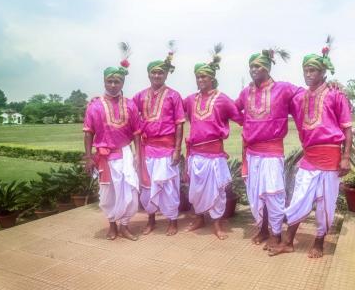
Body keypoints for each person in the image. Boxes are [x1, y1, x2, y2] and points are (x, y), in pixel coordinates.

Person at [269, 43, 353, 258]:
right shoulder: (299, 98)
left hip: (331, 158)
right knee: (298, 199)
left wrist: (346, 157)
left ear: (324, 71)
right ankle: (288, 241)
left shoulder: (336, 95)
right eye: (305, 70)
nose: (308, 74)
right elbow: (277, 95)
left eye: (313, 70)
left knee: (326, 203)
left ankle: (319, 242)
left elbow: (347, 129)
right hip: (309, 158)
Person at [235, 49, 300, 250]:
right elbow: (232, 108)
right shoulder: (246, 92)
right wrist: (244, 124)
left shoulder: (284, 89)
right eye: (251, 66)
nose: (254, 69)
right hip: (252, 152)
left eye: (258, 66)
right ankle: (262, 229)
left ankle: (276, 235)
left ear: (268, 67)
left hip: (272, 152)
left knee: (273, 194)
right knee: (255, 195)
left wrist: (330, 86)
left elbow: (307, 96)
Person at [183, 44, 243, 239]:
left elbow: (240, 118)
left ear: (212, 78)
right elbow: (175, 114)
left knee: (217, 192)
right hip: (196, 154)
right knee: (196, 190)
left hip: (215, 155)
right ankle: (199, 219)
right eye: (198, 77)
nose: (201, 80)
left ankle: (217, 225)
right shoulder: (190, 100)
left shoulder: (223, 99)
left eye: (204, 77)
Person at [83, 51, 141, 241]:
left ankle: (125, 226)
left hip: (125, 155)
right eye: (110, 81)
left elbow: (137, 133)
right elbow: (88, 132)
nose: (113, 85)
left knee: (130, 193)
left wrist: (138, 155)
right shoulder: (95, 106)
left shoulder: (130, 105)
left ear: (123, 83)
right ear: (104, 82)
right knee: (108, 195)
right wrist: (88, 157)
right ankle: (112, 226)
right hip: (105, 158)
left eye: (117, 82)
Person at [133, 44, 185, 236]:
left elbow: (180, 123)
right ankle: (151, 220)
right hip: (147, 149)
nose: (157, 76)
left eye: (160, 73)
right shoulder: (139, 96)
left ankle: (172, 221)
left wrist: (177, 149)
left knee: (169, 187)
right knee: (147, 187)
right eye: (153, 73)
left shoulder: (174, 95)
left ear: (165, 75)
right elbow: (129, 112)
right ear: (148, 75)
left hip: (167, 148)